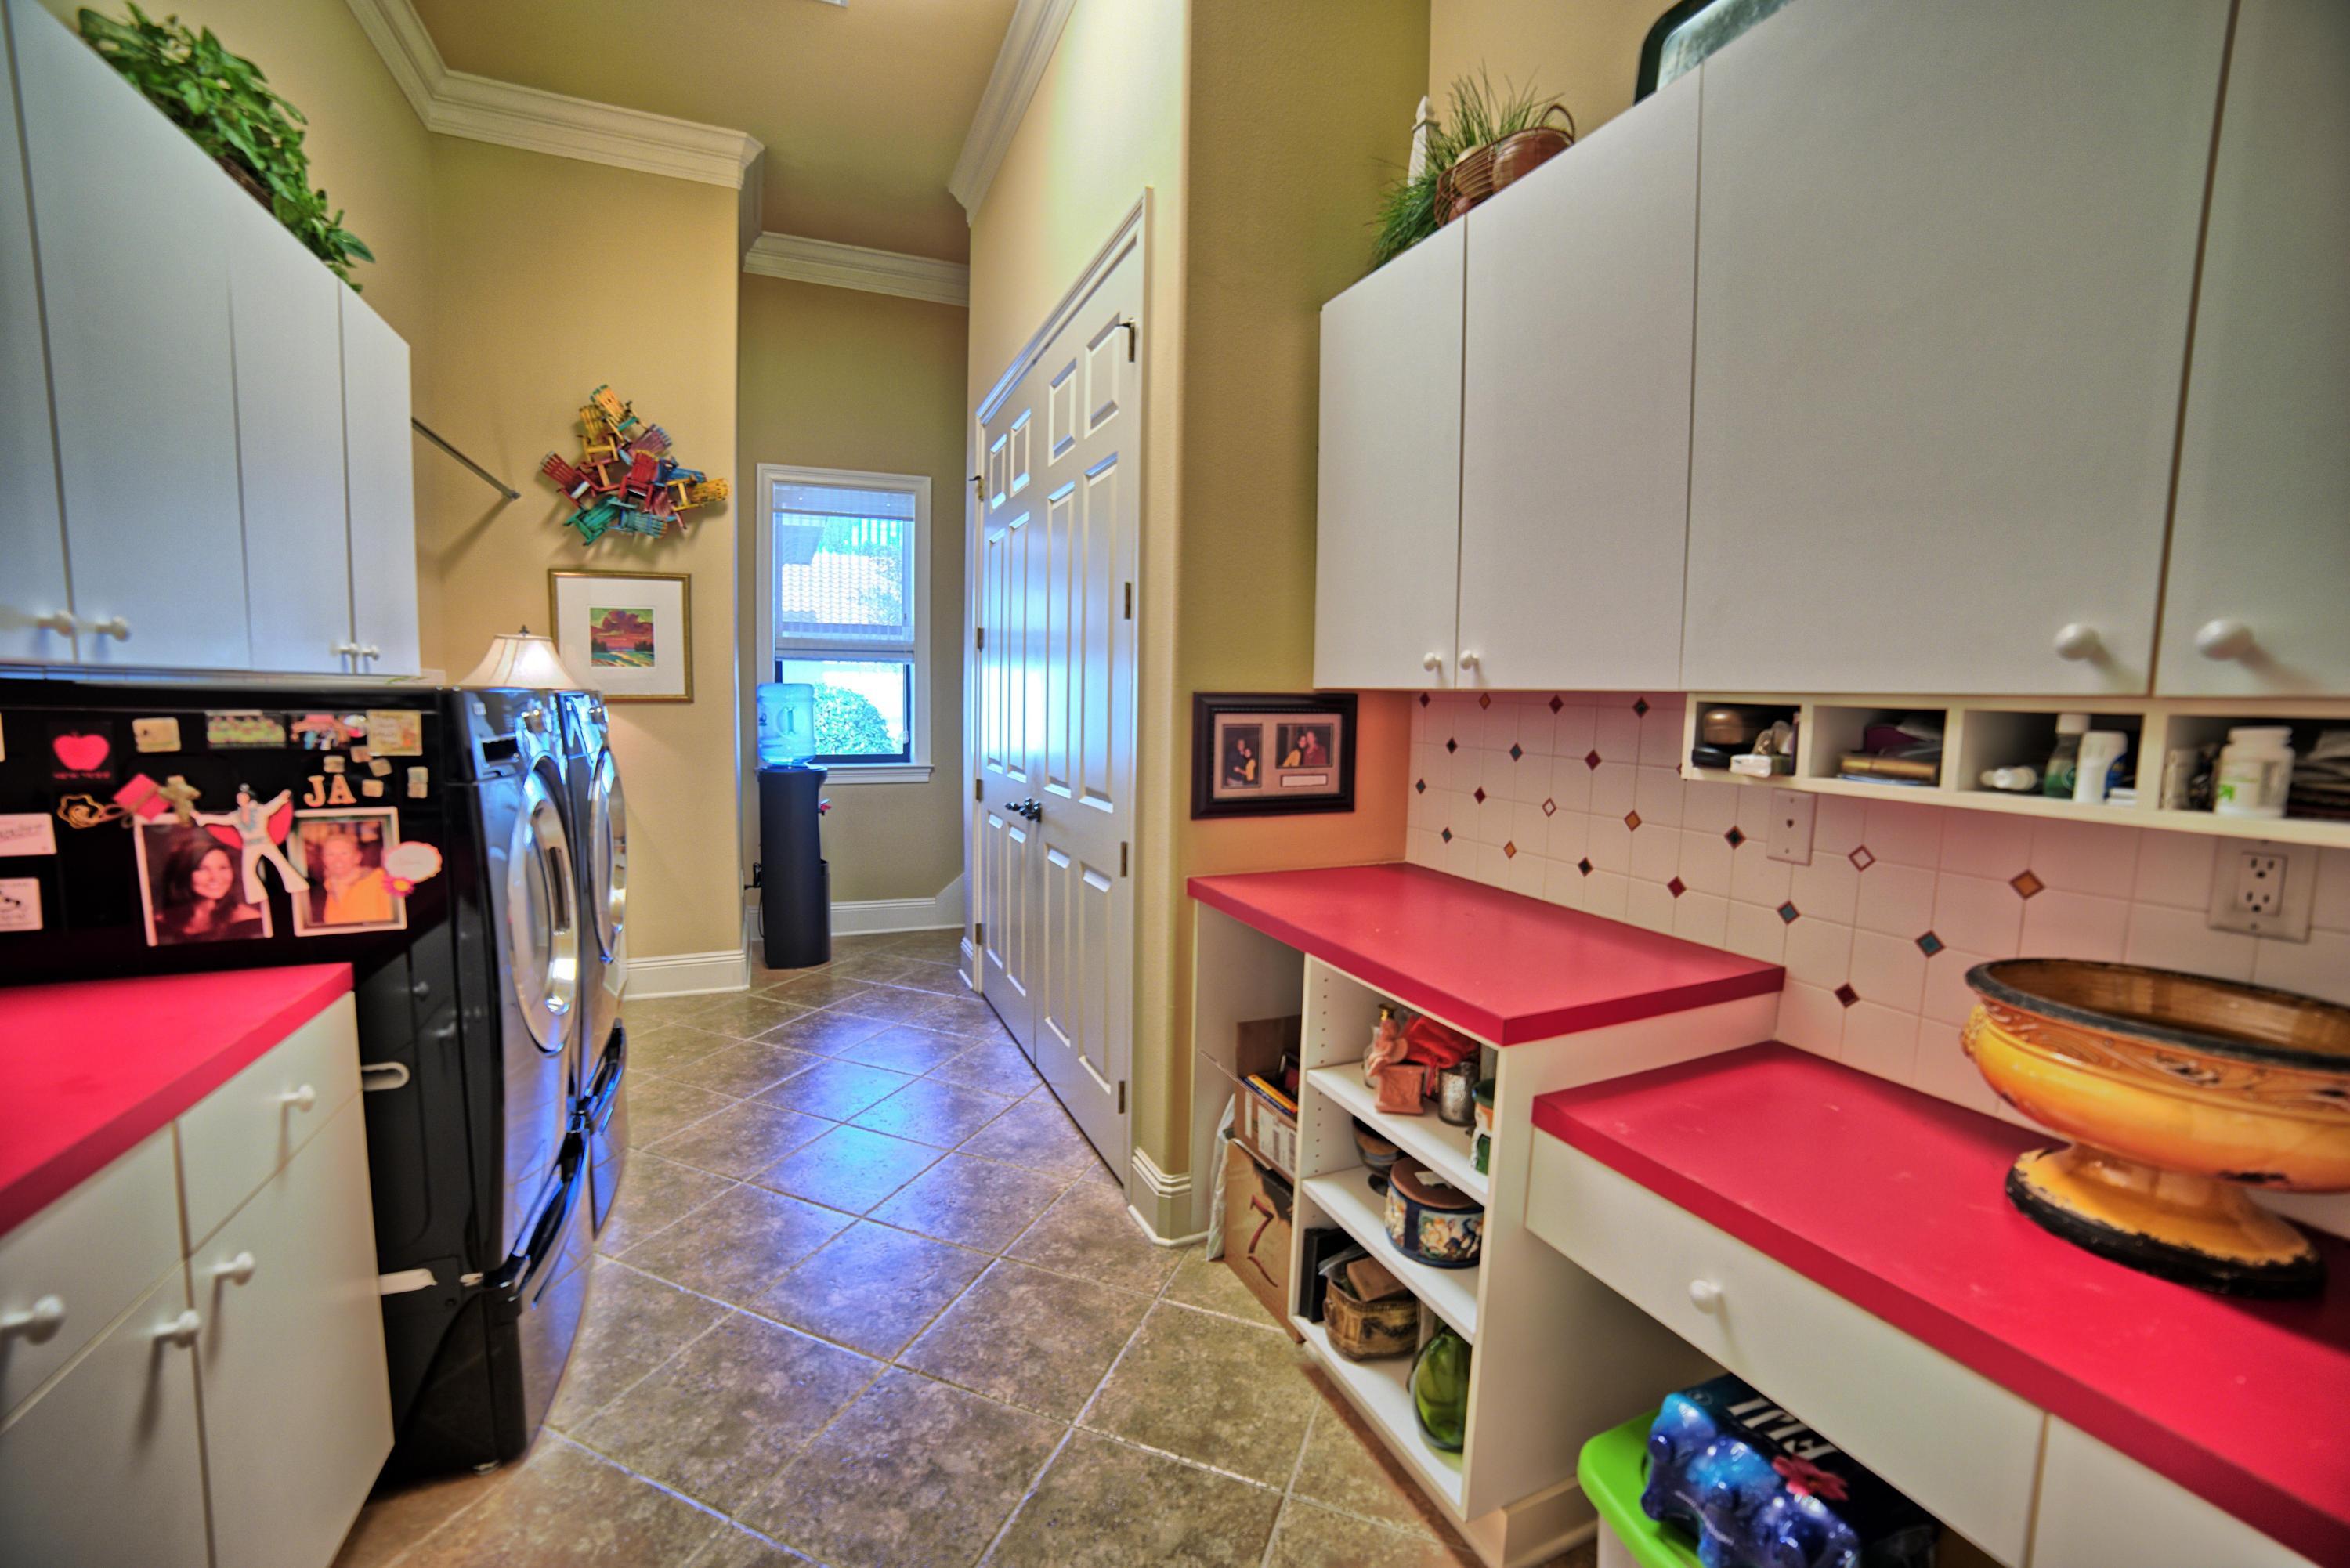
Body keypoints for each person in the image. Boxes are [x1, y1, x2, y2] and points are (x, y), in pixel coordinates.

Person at [154, 833, 266, 943]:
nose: (215, 878)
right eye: (203, 869)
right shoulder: (159, 924)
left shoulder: (251, 922)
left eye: (223, 868)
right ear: (184, 873)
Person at [309, 826, 395, 926]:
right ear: (324, 860)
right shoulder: (322, 892)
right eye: (330, 854)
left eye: (344, 853)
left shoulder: (380, 880)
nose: (337, 860)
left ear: (358, 857)